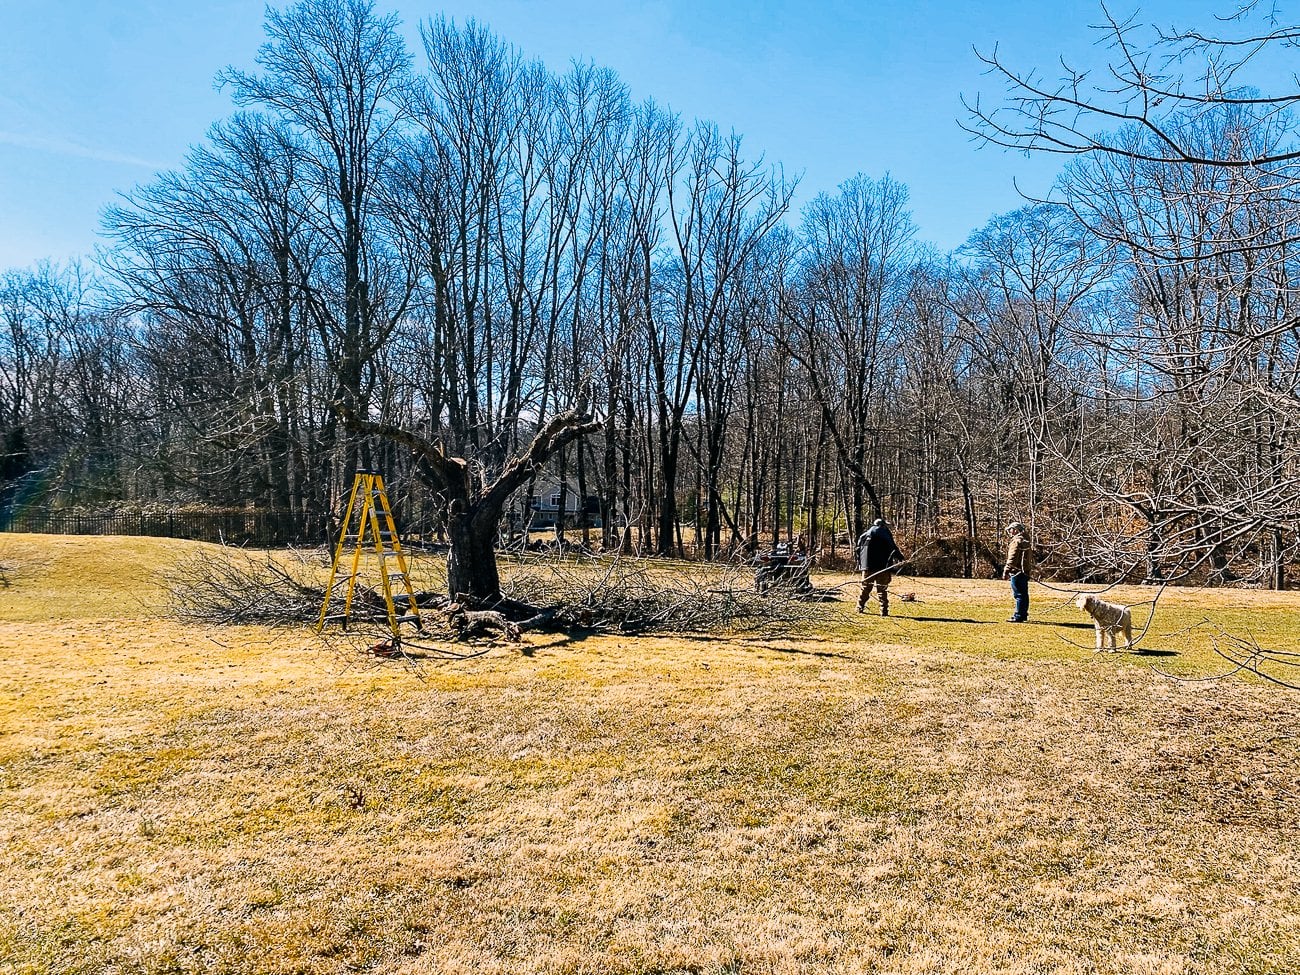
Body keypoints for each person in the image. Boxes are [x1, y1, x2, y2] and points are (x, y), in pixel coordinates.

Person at [856, 518, 904, 616]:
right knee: (882, 589)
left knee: (865, 588)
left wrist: (861, 563)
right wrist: (900, 558)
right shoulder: (885, 534)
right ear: (882, 525)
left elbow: (858, 550)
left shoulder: (864, 535)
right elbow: (893, 548)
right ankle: (884, 610)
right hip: (883, 567)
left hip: (867, 567)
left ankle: (859, 607)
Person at [1002, 521, 1034, 622]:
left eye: (1011, 530)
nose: (1010, 532)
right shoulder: (1026, 540)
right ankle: (1023, 614)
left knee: (1019, 594)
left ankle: (1018, 615)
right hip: (1025, 571)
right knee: (1024, 594)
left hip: (1017, 572)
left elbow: (1012, 558)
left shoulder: (1016, 541)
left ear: (1015, 530)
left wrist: (1006, 570)